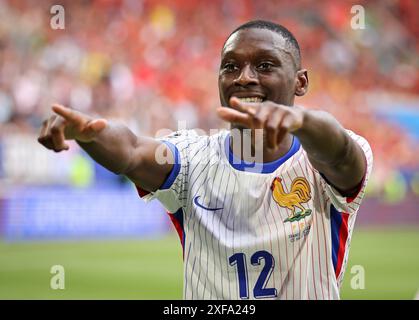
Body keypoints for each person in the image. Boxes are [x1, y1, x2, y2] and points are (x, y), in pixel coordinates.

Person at [38, 20, 373, 300]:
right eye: (231, 66)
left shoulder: (325, 162)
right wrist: (87, 132)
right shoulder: (192, 159)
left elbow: (341, 152)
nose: (244, 77)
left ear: (300, 82)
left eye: (265, 65)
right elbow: (131, 149)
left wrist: (301, 121)